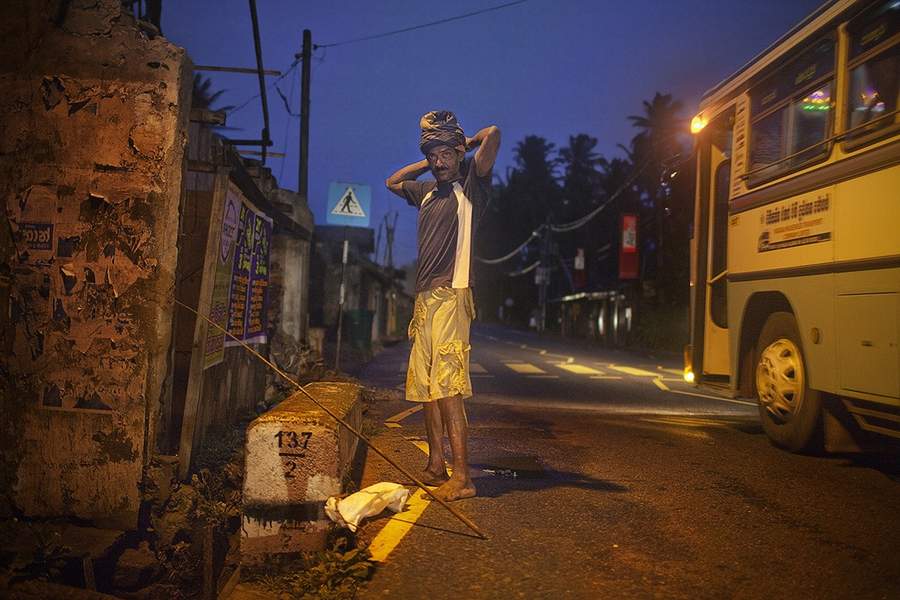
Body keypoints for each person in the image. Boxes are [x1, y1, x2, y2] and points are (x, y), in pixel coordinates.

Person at [385, 111, 500, 501]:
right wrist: (432, 152)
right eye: (432, 155)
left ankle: (463, 477)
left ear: (458, 153)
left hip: (453, 293)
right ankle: (436, 465)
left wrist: (462, 147)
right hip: (424, 300)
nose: (438, 162)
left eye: (443, 154)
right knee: (427, 389)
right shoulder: (427, 193)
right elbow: (393, 181)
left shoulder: (473, 185)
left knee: (448, 387)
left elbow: (494, 135)